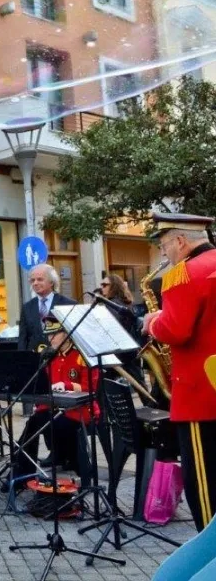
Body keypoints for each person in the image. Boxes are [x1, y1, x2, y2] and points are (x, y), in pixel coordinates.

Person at [142, 212, 216, 533]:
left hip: (199, 397)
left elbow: (176, 329)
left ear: (181, 241)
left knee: (204, 486)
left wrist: (153, 321)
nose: (164, 253)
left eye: (164, 245)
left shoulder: (182, 274)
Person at [13, 315, 99, 489]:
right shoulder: (51, 356)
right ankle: (20, 474)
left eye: (55, 334)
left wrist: (65, 385)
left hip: (80, 409)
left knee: (62, 425)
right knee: (33, 424)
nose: (50, 338)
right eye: (49, 334)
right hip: (55, 407)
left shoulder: (82, 354)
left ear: (67, 333)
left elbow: (91, 388)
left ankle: (81, 468)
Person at [17, 264, 77, 353]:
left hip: (59, 359)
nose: (35, 283)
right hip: (35, 360)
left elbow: (75, 337)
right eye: (32, 280)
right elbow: (23, 338)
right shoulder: (27, 307)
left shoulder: (68, 305)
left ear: (52, 282)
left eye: (40, 279)